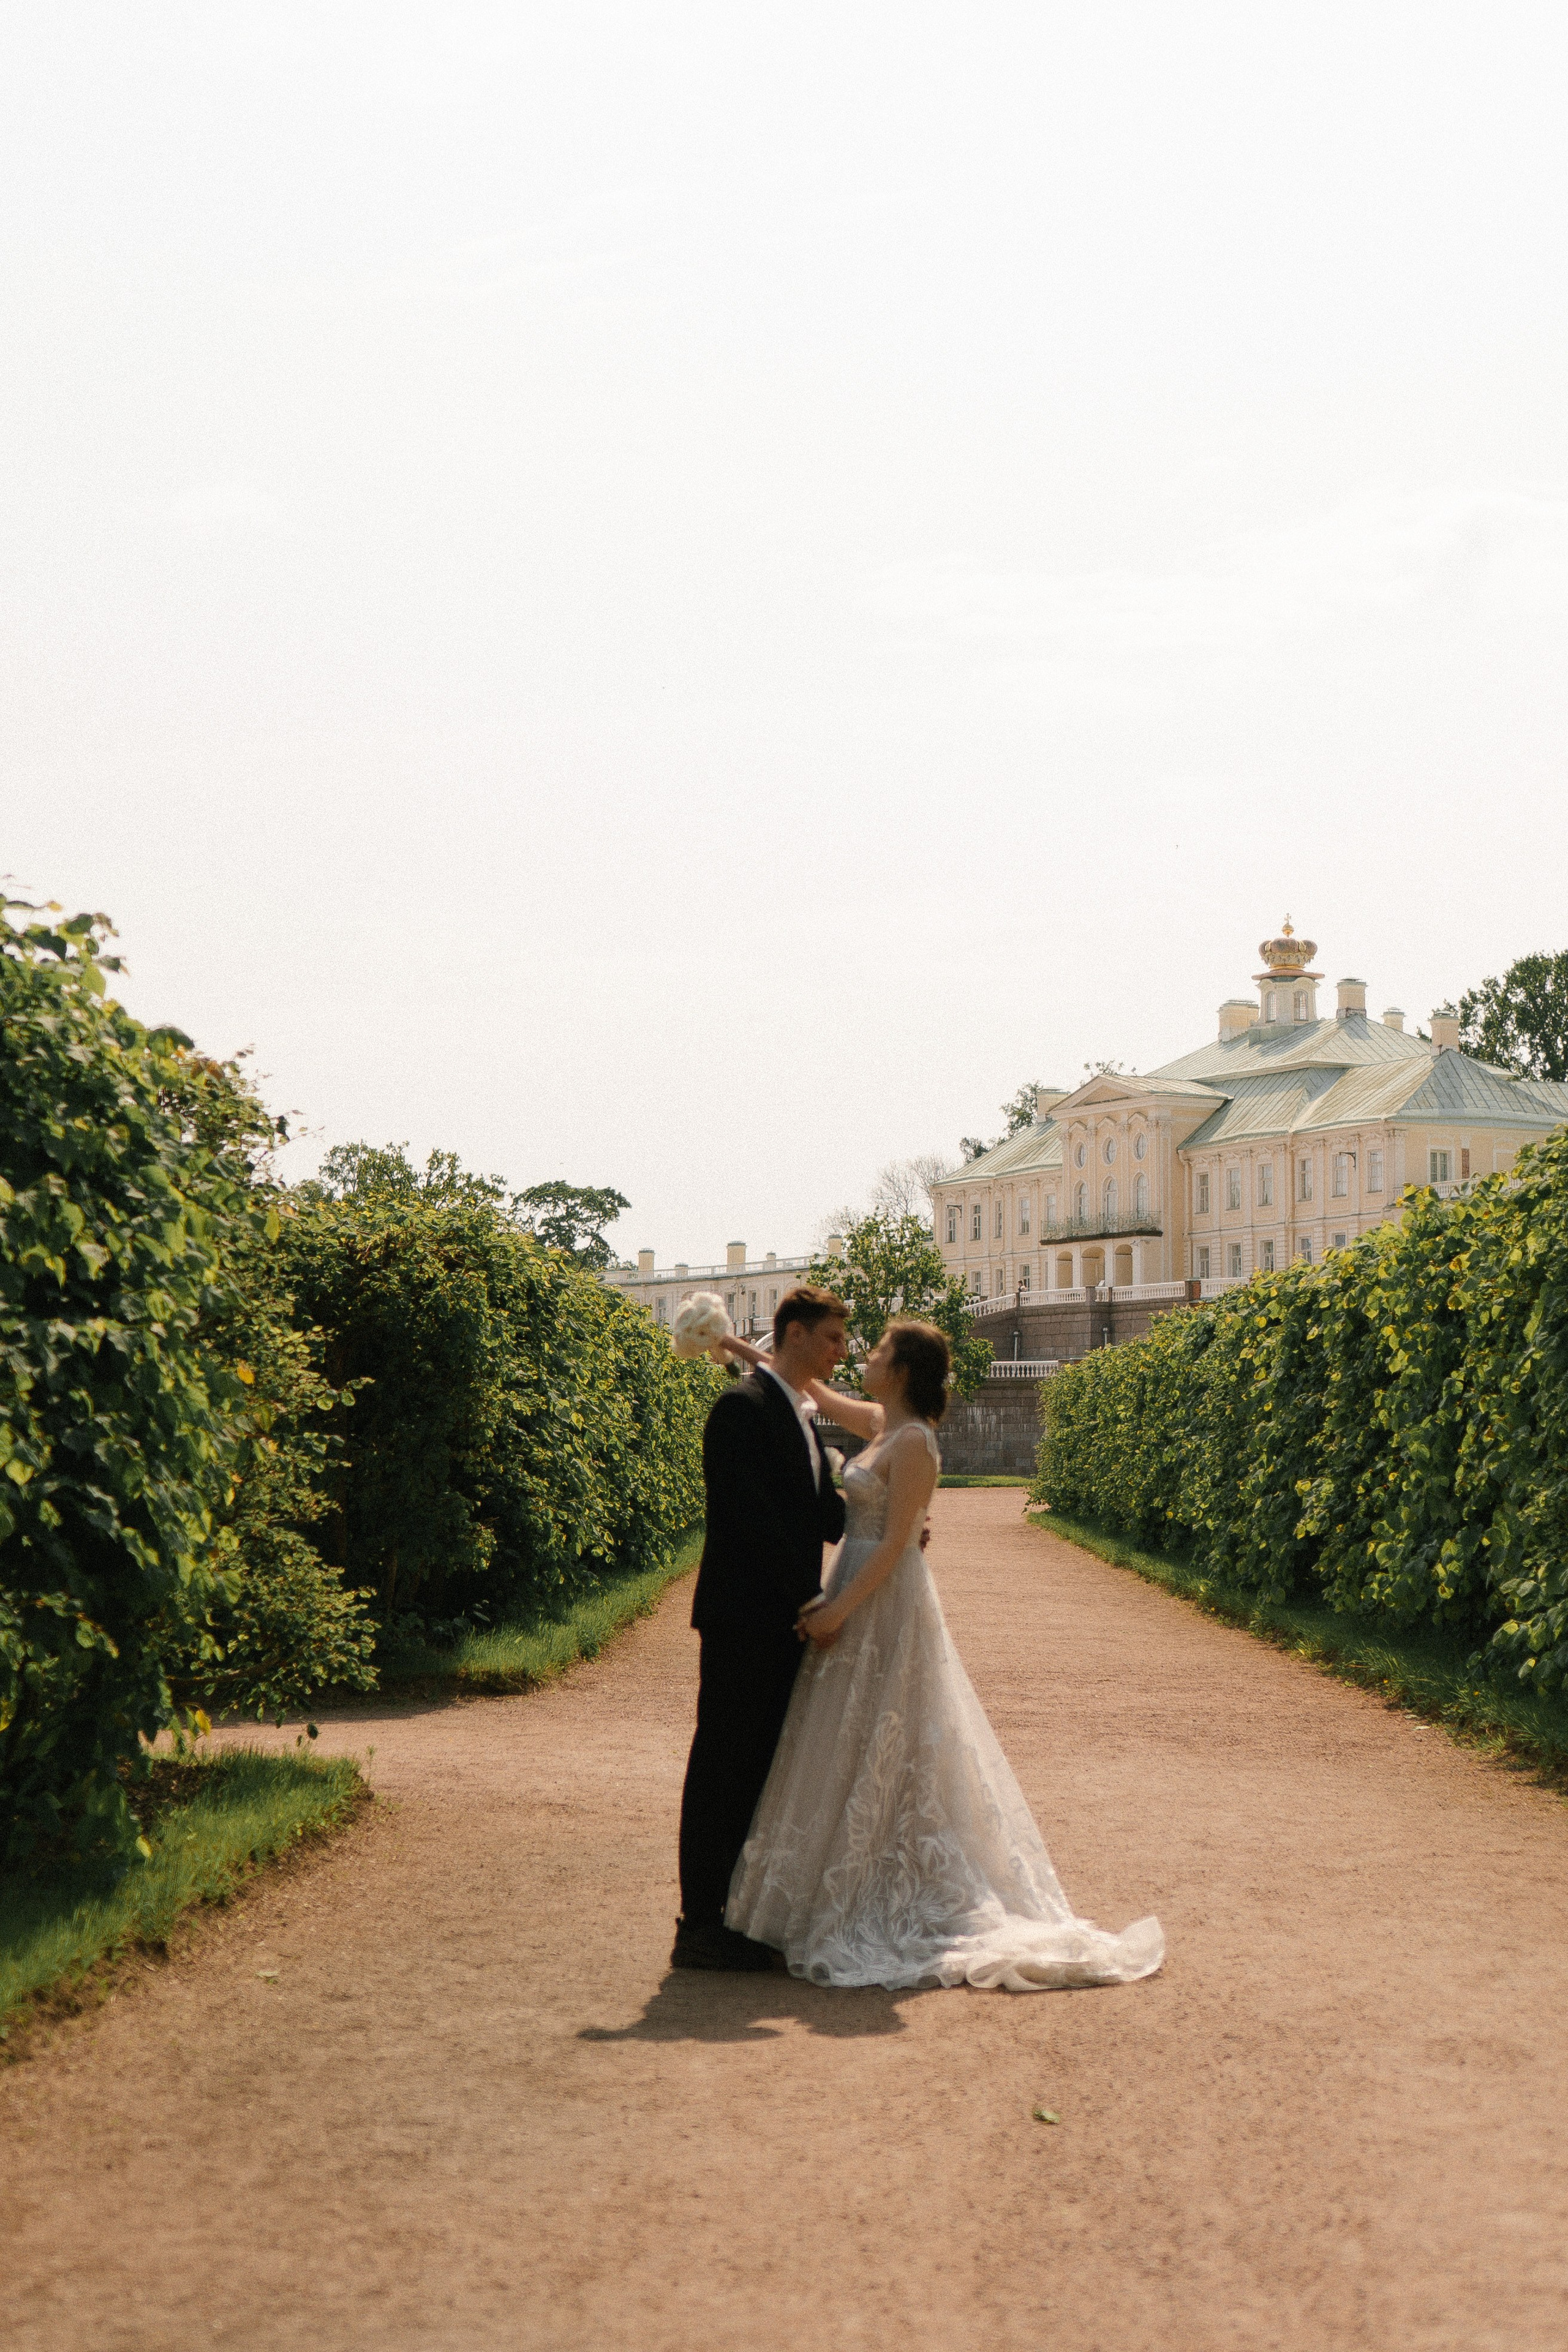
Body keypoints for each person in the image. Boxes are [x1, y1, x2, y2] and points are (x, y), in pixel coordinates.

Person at [720, 1317, 1164, 1992]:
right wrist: (731, 1345)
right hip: (854, 1578)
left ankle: (890, 1880)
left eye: (876, 1351)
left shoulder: (916, 1442)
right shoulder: (879, 1423)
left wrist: (839, 1607)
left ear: (900, 1370)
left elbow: (899, 1544)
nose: (863, 1357)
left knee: (890, 1728)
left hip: (882, 1594)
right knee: (845, 1729)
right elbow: (801, 1379)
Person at [671, 1284, 850, 1972]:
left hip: (776, 1623)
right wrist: (809, 1600)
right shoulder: (738, 1408)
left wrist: (882, 1516)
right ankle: (698, 1924)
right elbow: (751, 1521)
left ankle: (731, 1914)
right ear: (796, 1334)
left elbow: (817, 1515)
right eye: (831, 1338)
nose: (840, 1352)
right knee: (721, 1767)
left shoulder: (797, 1414)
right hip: (744, 1619)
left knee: (757, 1768)